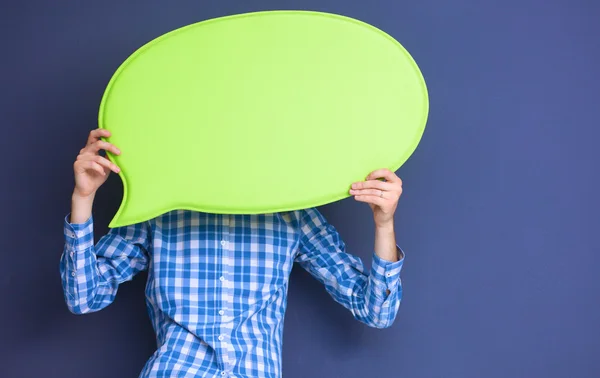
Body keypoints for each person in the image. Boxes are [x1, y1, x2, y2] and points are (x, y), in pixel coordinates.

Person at [60, 128, 406, 378]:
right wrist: (83, 198)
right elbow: (84, 297)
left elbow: (376, 311)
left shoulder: (293, 214)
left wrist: (384, 224)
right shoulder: (160, 209)